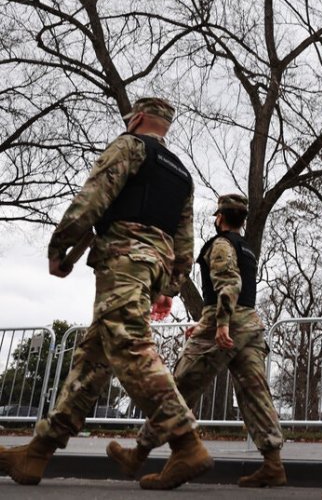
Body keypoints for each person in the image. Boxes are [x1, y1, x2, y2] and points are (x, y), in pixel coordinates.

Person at [0, 97, 213, 490]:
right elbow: (185, 241)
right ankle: (38, 451)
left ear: (140, 118)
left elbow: (93, 198)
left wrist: (59, 246)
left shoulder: (128, 146)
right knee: (93, 359)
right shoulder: (182, 174)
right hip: (151, 268)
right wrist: (169, 287)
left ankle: (186, 442)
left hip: (123, 260)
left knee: (128, 343)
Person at [106, 193, 286, 488]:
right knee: (255, 394)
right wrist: (207, 322)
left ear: (220, 218)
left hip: (225, 324)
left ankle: (138, 454)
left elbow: (229, 284)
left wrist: (220, 325)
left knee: (176, 389)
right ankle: (273, 464)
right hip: (251, 326)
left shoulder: (221, 244)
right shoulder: (247, 250)